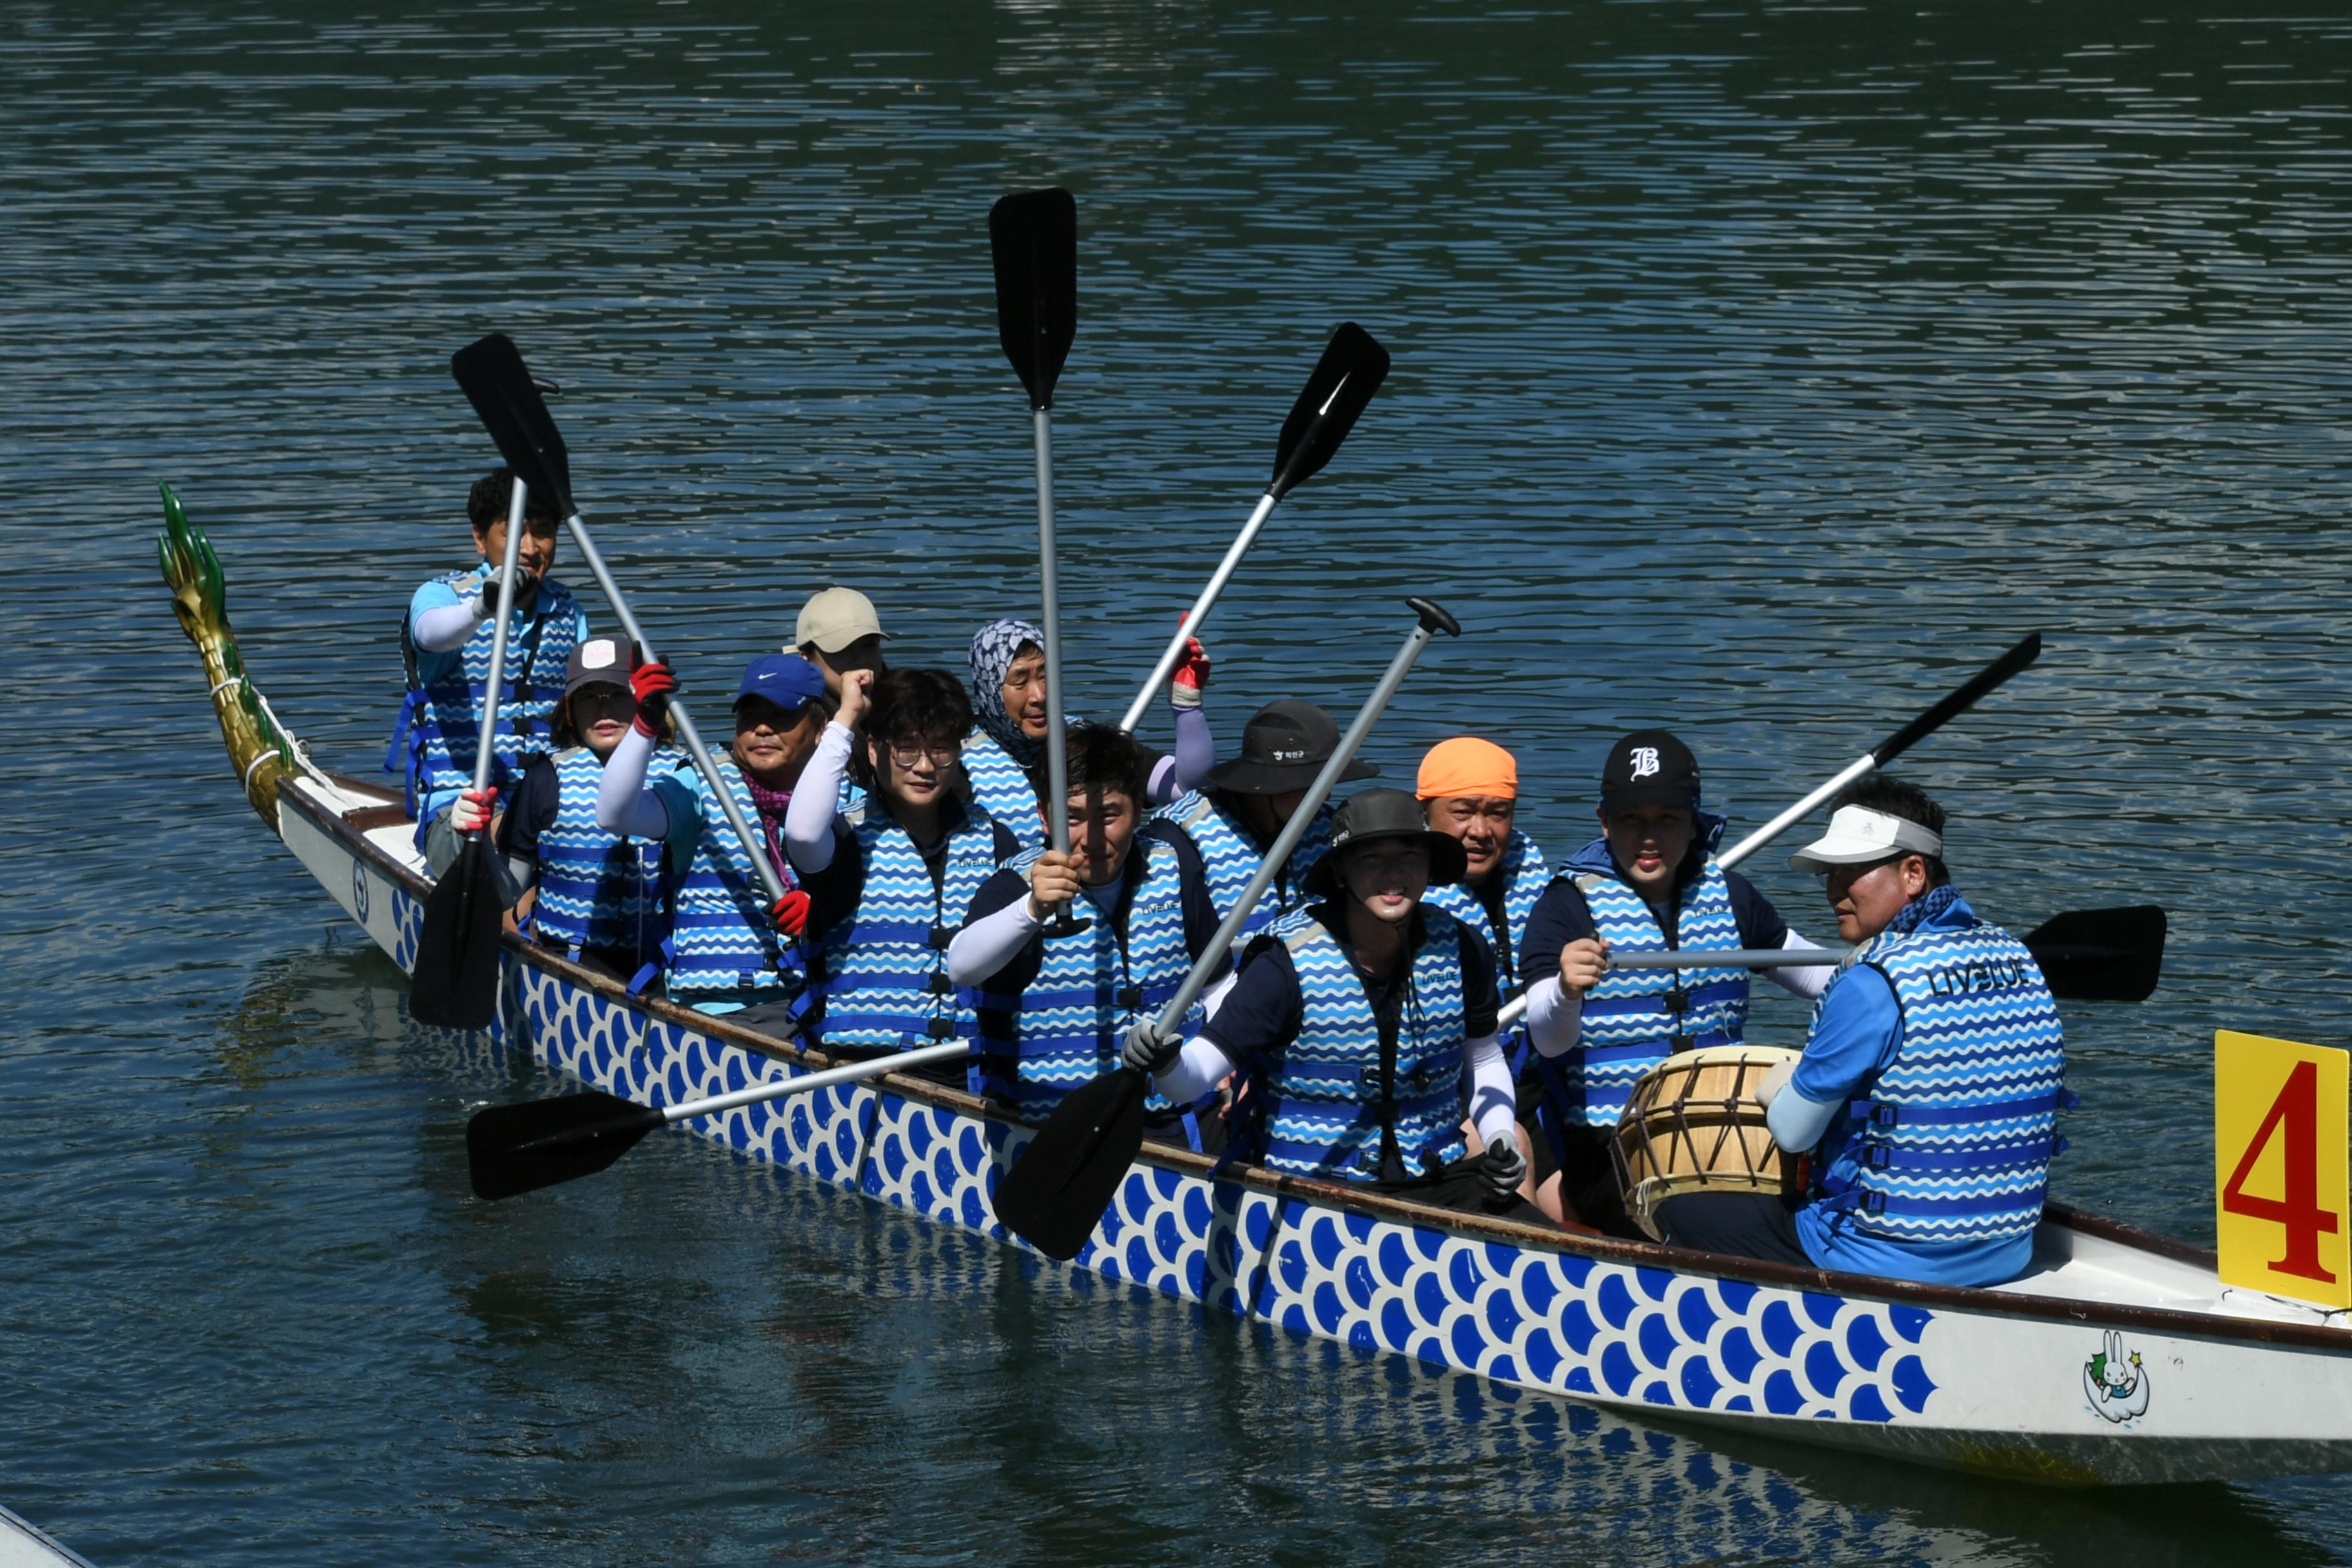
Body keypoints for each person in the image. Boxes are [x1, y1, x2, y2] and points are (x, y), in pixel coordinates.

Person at [1658, 778, 2071, 1288]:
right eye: (1830, 873)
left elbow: (1791, 1131)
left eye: (1852, 871)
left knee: (1683, 1209)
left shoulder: (1871, 983)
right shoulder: (2018, 958)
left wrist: (1781, 1085)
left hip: (1883, 1258)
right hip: (2010, 1248)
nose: (1834, 889)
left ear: (1913, 872)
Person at [1125, 789, 1543, 1220]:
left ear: (1430, 866)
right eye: (1371, 859)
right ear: (1340, 873)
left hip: (1440, 1181)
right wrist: (1164, 1061)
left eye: (1409, 857)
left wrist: (1499, 1137)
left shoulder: (1464, 947)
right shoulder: (1282, 965)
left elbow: (1484, 1056)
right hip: (1308, 1194)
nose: (1393, 875)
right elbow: (1194, 1077)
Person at [1518, 731, 1834, 1231]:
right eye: (1631, 820)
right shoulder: (1565, 906)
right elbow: (1548, 1039)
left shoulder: (1731, 896)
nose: (1648, 837)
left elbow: (1820, 975)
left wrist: (1888, 971)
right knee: (1722, 1219)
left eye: (1666, 819)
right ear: (1604, 822)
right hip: (1614, 1145)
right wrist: (1565, 990)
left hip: (1723, 1127)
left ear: (1693, 823)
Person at [946, 723, 1230, 1144]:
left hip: (1176, 1118)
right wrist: (1032, 911)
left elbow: (1219, 984)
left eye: (1109, 815)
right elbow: (962, 966)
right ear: (1044, 816)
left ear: (1138, 808)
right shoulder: (1013, 888)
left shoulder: (1175, 868)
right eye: (1073, 818)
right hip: (1054, 1129)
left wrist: (1221, 1060)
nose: (1092, 838)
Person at [784, 667, 1019, 1059]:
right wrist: (847, 715)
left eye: (941, 749)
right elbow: (804, 834)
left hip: (973, 1067)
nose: (925, 767)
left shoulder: (996, 839)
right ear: (874, 750)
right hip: (861, 1067)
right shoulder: (846, 837)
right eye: (907, 748)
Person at [593, 654, 830, 1029]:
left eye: (781, 715)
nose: (762, 729)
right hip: (715, 1010)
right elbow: (614, 815)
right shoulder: (700, 786)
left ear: (820, 729)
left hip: (820, 1003)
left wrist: (823, 913)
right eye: (750, 716)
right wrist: (644, 726)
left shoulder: (846, 797)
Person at [388, 467, 589, 874]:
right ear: (480, 539)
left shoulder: (570, 614)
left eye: (544, 532)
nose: (531, 549)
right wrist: (483, 607)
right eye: (515, 532)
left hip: (546, 807)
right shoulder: (442, 596)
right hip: (459, 811)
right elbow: (429, 634)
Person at [492, 636, 674, 987]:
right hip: (569, 966)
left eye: (619, 694)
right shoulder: (545, 779)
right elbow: (508, 890)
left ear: (643, 701)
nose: (604, 711)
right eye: (589, 697)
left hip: (662, 966)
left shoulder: (681, 774)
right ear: (570, 710)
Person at [962, 618, 1216, 853]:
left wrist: (1186, 703)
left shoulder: (1088, 742)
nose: (1039, 696)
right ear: (990, 689)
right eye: (1020, 683)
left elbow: (1190, 790)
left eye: (1045, 675)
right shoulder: (957, 759)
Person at [1153, 699, 1371, 940]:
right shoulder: (1181, 839)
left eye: (1328, 784)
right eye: (1311, 786)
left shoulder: (1327, 829)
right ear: (1270, 786)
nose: (1326, 796)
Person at [791, 586, 890, 702]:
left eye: (869, 646)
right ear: (806, 658)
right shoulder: (787, 714)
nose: (861, 660)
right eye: (842, 650)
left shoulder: (906, 703)